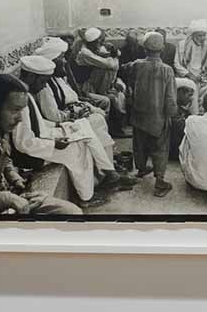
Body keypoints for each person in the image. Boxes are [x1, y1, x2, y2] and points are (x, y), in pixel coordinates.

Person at [0, 73, 83, 218]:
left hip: (9, 197)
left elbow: (1, 157)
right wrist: (4, 199)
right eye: (15, 110)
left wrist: (14, 178)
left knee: (72, 213)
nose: (20, 118)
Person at [11, 57, 129, 205]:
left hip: (42, 140)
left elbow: (38, 124)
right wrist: (54, 143)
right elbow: (24, 144)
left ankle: (107, 171)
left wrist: (59, 127)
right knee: (77, 148)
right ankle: (86, 197)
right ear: (30, 76)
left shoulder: (26, 94)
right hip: (32, 154)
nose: (43, 87)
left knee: (82, 125)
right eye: (42, 82)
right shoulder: (19, 101)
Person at [124, 32, 178, 197]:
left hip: (139, 114)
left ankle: (141, 169)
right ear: (162, 48)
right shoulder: (167, 70)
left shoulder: (137, 65)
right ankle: (160, 181)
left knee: (139, 143)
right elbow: (170, 97)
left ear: (144, 48)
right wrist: (172, 114)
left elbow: (124, 70)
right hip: (158, 117)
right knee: (160, 147)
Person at [174, 19, 207, 112]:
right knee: (193, 87)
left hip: (200, 77)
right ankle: (194, 115)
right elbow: (177, 64)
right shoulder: (182, 45)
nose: (202, 38)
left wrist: (205, 75)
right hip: (185, 76)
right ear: (193, 35)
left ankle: (202, 111)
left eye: (204, 35)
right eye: (200, 35)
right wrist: (189, 75)